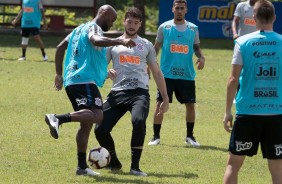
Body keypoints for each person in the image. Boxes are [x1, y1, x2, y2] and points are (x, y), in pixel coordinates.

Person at [44, 5, 136, 177]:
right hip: (84, 80)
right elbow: (95, 40)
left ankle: (81, 167)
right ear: (105, 14)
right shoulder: (94, 28)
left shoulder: (78, 29)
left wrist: (58, 74)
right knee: (97, 115)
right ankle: (57, 118)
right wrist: (120, 40)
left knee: (85, 125)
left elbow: (59, 47)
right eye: (113, 19)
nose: (112, 23)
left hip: (73, 79)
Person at [94, 7, 169, 176]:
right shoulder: (113, 45)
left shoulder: (146, 45)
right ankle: (113, 160)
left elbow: (156, 72)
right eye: (129, 21)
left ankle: (135, 167)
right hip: (118, 92)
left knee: (138, 121)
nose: (132, 25)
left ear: (140, 24)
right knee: (100, 129)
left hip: (139, 93)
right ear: (123, 22)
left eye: (136, 22)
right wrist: (106, 73)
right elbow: (99, 68)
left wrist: (165, 97)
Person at [223, 0, 282, 183]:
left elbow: (233, 79)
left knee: (233, 165)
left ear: (253, 18)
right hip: (276, 113)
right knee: (277, 166)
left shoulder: (242, 42)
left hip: (248, 112)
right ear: (274, 17)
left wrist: (227, 112)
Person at [148, 0, 205, 147]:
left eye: (182, 8)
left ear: (186, 10)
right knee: (160, 104)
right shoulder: (164, 27)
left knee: (190, 106)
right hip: (166, 75)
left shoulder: (193, 29)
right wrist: (149, 64)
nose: (179, 10)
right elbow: (156, 48)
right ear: (173, 9)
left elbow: (196, 47)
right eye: (177, 8)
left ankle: (190, 136)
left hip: (186, 75)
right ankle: (155, 137)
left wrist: (201, 57)